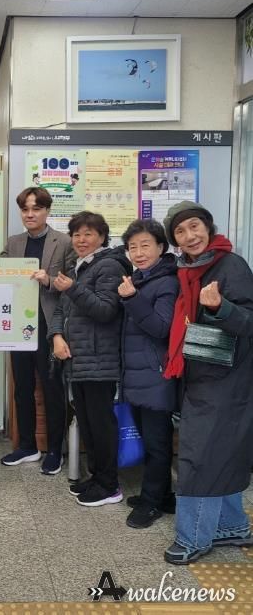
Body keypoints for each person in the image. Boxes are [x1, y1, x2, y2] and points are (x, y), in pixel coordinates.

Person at [161, 201, 253, 565]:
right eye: (180, 231)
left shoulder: (231, 265)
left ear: (208, 227)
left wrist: (220, 308)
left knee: (199, 457)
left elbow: (249, 322)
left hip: (225, 379)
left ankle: (193, 537)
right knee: (220, 453)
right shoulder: (187, 270)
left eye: (195, 226)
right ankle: (232, 526)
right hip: (201, 375)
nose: (189, 236)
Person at [0, 186, 75, 473]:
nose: (30, 214)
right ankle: (27, 446)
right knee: (22, 387)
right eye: (25, 209)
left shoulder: (64, 242)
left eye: (36, 208)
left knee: (52, 388)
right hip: (19, 326)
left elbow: (73, 283)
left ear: (47, 210)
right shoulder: (14, 242)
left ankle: (55, 450)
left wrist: (49, 280)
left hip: (50, 326)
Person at [50, 211, 131, 507]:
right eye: (77, 234)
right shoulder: (78, 267)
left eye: (88, 234)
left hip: (100, 361)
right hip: (78, 360)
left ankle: (109, 485)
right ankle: (97, 477)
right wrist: (56, 336)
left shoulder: (109, 266)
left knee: (101, 424)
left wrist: (73, 288)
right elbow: (61, 309)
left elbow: (106, 310)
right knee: (87, 422)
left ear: (102, 237)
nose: (81, 240)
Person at [118, 219, 178, 528]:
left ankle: (151, 504)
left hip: (156, 375)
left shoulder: (167, 282)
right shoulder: (140, 279)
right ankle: (163, 495)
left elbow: (161, 328)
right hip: (140, 375)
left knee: (157, 444)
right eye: (133, 247)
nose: (139, 253)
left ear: (161, 247)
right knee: (151, 440)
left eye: (145, 246)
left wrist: (131, 299)